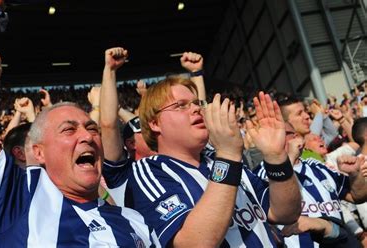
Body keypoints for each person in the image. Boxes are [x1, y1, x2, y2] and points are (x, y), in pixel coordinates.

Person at [0, 1, 160, 246]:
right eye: (69, 129)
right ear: (38, 152)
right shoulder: (19, 196)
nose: (87, 136)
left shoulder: (134, 221)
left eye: (91, 128)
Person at [103, 55, 301, 246]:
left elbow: (285, 212)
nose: (196, 109)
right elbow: (194, 243)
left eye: (197, 104)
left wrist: (277, 158)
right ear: (155, 123)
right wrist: (229, 156)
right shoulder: (149, 173)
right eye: (181, 106)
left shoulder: (218, 161)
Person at [255, 123, 367, 247]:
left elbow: (357, 196)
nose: (274, 139)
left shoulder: (317, 167)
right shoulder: (260, 173)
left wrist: (355, 175)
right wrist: (289, 157)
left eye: (282, 133)